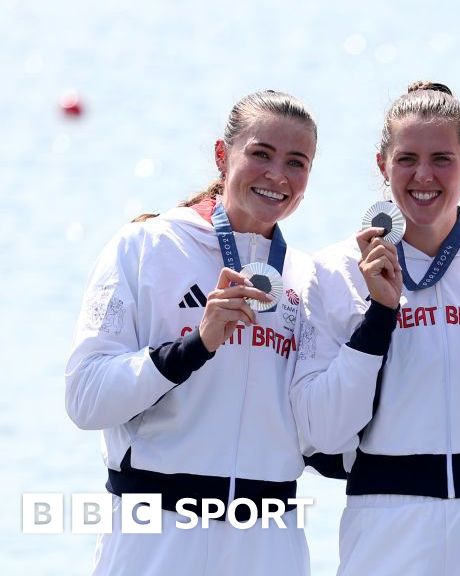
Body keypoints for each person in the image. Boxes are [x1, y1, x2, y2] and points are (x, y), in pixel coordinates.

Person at [290, 81, 460, 575]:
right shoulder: (337, 269)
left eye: (442, 159)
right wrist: (379, 316)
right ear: (381, 164)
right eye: (406, 159)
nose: (423, 176)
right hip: (389, 517)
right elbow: (322, 430)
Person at [66, 90, 318, 576]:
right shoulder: (146, 246)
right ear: (223, 156)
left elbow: (322, 431)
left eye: (297, 162)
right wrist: (196, 345)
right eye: (260, 154)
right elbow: (86, 399)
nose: (277, 176)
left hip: (269, 542)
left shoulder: (308, 279)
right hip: (156, 535)